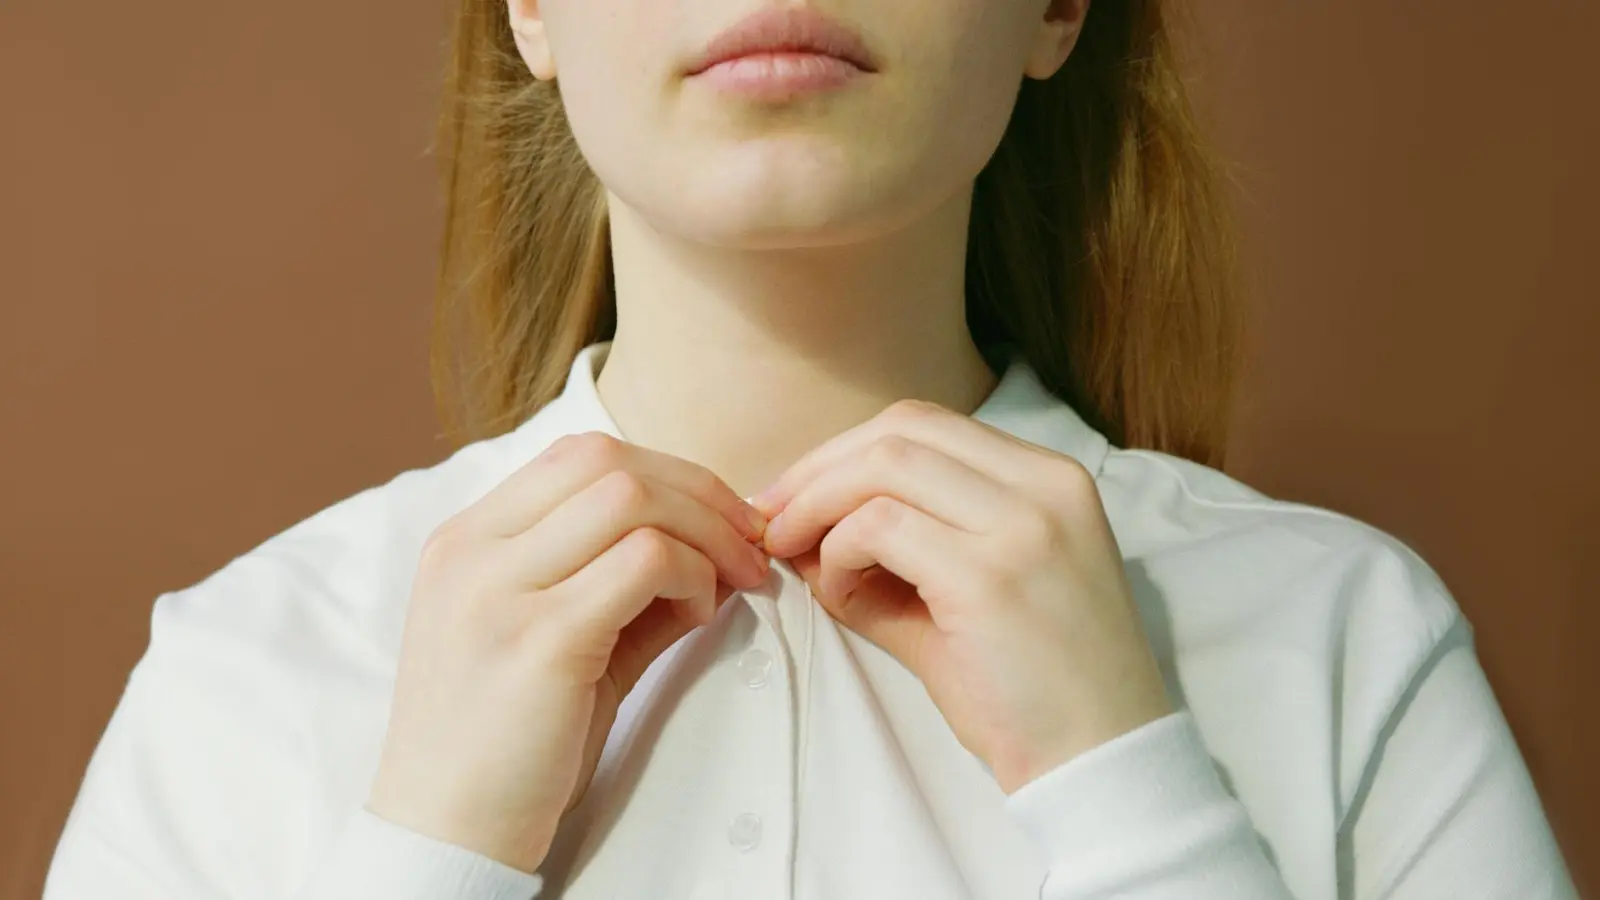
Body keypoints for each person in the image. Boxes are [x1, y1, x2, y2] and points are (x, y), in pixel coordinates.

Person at [43, 1, 1577, 898]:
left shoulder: (1347, 638)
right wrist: (429, 856)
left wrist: (1137, 797)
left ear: (1057, 6)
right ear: (530, 8)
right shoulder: (246, 674)